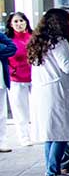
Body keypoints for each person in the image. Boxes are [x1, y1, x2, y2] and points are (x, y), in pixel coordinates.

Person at [29, 8, 69, 176]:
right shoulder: (59, 41)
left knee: (52, 134)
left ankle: (52, 172)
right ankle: (51, 174)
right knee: (60, 134)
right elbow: (68, 66)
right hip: (58, 93)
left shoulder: (40, 41)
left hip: (47, 92)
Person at [4, 13, 33, 146]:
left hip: (34, 79)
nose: (19, 24)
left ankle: (36, 133)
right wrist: (11, 71)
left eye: (21, 20)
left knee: (36, 108)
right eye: (15, 21)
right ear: (11, 24)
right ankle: (24, 137)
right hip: (16, 80)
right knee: (20, 110)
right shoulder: (8, 40)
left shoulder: (33, 37)